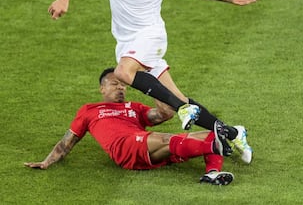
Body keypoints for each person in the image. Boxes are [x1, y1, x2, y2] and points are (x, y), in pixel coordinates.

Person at [47, 0, 258, 163]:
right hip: (126, 43)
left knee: (122, 73)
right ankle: (234, 132)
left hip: (151, 37)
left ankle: (182, 109)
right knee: (175, 100)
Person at [24, 68, 240, 185]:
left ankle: (212, 173)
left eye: (123, 85)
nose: (120, 88)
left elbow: (164, 114)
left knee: (209, 133)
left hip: (147, 148)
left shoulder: (134, 107)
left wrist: (155, 89)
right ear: (101, 88)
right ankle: (216, 147)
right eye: (114, 84)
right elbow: (66, 143)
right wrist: (46, 162)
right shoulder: (89, 110)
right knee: (167, 138)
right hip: (124, 148)